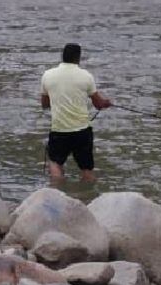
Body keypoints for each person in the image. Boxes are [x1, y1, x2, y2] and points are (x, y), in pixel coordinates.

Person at [39, 43, 112, 185]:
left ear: (63, 56)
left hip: (59, 130)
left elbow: (45, 104)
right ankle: (88, 197)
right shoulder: (86, 76)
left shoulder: (48, 75)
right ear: (78, 57)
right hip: (82, 131)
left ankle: (58, 193)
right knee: (87, 168)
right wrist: (106, 103)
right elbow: (98, 104)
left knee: (55, 164)